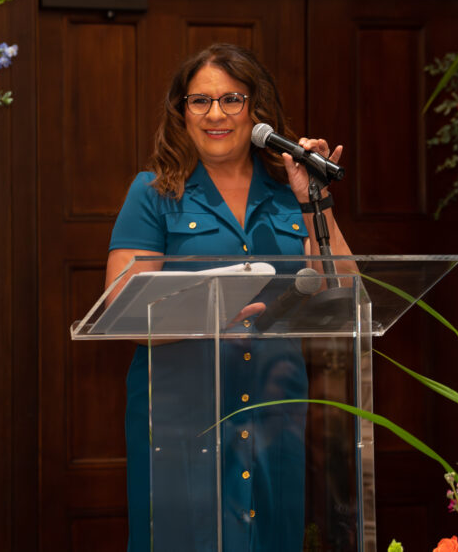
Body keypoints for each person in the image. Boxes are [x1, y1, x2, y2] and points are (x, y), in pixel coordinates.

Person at [106, 43, 351, 552]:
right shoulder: (153, 192)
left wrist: (314, 199)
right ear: (182, 112)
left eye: (232, 99)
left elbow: (345, 291)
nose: (215, 113)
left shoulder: (291, 192)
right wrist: (207, 316)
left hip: (273, 409)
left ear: (257, 111)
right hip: (179, 412)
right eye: (199, 101)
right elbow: (120, 311)